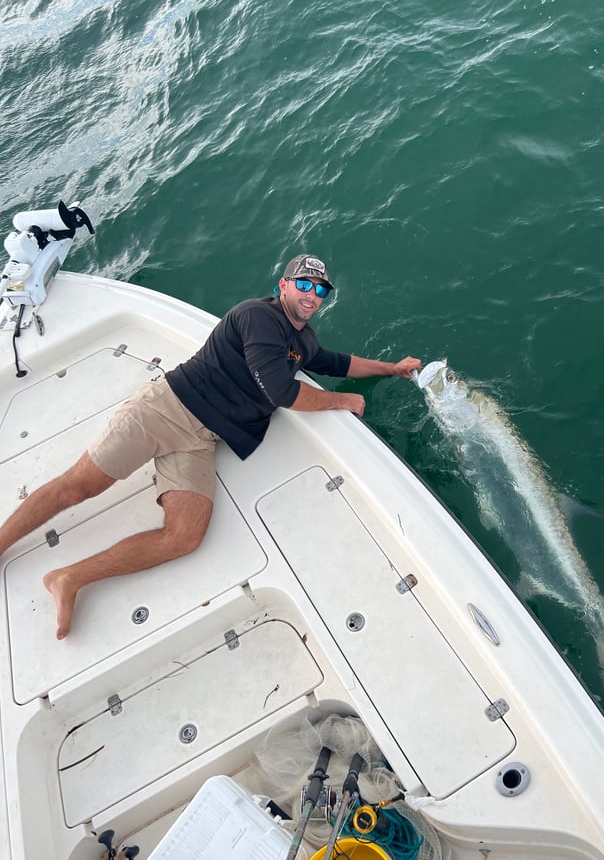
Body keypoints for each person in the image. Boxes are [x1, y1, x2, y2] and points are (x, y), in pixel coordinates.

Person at [0, 254, 422, 640]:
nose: (313, 295)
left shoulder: (303, 339)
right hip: (165, 409)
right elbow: (280, 390)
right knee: (78, 487)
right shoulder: (258, 316)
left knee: (184, 536)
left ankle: (69, 577)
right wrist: (341, 400)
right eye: (305, 285)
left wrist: (392, 369)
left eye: (321, 289)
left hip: (202, 441)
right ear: (284, 286)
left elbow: (335, 362)